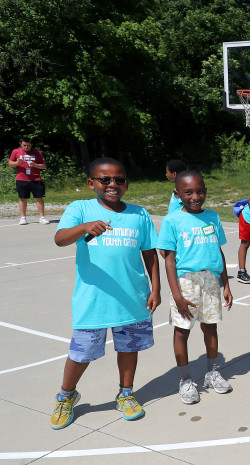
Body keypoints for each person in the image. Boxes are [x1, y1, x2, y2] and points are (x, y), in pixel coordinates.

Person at [49, 158, 160, 429]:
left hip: (133, 297)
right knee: (81, 353)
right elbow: (60, 238)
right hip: (93, 299)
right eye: (105, 180)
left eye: (119, 179)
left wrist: (156, 288)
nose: (113, 184)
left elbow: (149, 253)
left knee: (129, 348)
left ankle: (125, 393)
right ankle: (66, 395)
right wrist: (84, 228)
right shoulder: (81, 208)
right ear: (91, 183)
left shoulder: (139, 214)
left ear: (126, 183)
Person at [158, 170, 234, 404]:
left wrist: (226, 283)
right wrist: (177, 295)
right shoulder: (172, 220)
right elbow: (168, 260)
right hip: (186, 282)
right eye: (188, 192)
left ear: (206, 191)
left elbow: (218, 250)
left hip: (210, 280)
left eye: (200, 191)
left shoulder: (212, 217)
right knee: (182, 331)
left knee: (210, 328)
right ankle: (185, 380)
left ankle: (212, 373)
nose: (195, 196)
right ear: (177, 193)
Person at [8, 137, 49, 224]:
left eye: (28, 145)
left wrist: (35, 165)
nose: (26, 147)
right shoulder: (15, 151)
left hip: (36, 178)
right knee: (22, 198)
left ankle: (42, 217)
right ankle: (23, 218)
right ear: (21, 144)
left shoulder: (38, 153)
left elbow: (44, 166)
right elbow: (10, 164)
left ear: (32, 145)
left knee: (39, 198)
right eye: (24, 145)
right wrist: (17, 163)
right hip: (21, 179)